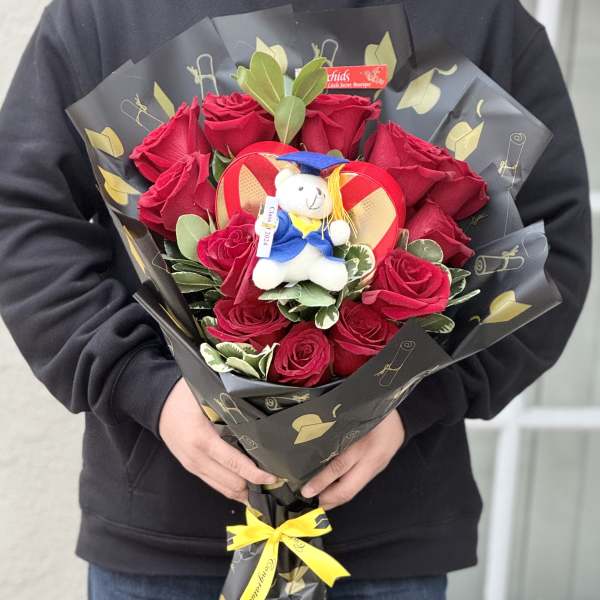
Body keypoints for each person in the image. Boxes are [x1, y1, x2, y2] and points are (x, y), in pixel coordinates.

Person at [0, 1, 591, 599]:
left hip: (388, 542)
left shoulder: (481, 17)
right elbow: (23, 216)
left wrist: (413, 404)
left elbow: (550, 249)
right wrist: (145, 387)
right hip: (161, 537)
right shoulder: (107, 12)